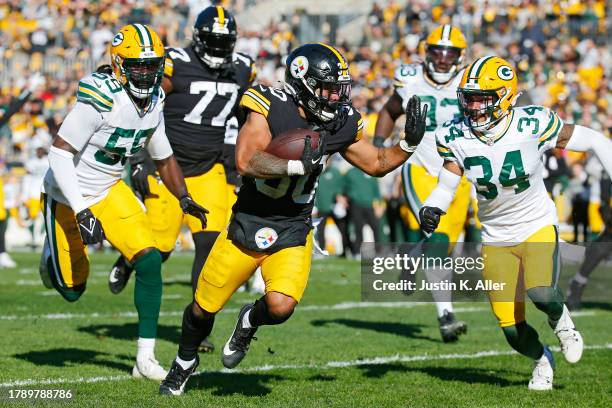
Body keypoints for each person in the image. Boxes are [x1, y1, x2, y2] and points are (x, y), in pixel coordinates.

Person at [159, 43, 428, 396]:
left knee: (281, 306)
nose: (334, 98)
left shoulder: (341, 121)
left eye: (339, 90)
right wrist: (296, 164)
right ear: (302, 82)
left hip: (294, 227)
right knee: (201, 308)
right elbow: (246, 160)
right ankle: (183, 362)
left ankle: (250, 319)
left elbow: (376, 163)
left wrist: (407, 144)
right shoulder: (269, 104)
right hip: (248, 223)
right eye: (327, 89)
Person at [420, 56, 612, 390]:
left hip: (535, 222)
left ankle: (561, 320)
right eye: (470, 97)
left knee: (540, 291)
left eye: (483, 98)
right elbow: (448, 181)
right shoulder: (455, 135)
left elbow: (595, 140)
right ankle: (542, 358)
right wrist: (434, 205)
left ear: (506, 96)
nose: (474, 105)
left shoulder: (532, 123)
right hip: (495, 235)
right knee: (510, 328)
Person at [39, 24, 208, 381]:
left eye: (152, 65)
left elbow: (162, 156)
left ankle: (144, 359)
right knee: (72, 291)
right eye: (137, 65)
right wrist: (82, 209)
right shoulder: (100, 98)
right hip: (68, 196)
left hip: (110, 189)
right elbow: (58, 154)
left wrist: (184, 196)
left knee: (149, 262)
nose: (146, 73)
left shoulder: (156, 100)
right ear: (118, 64)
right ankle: (50, 255)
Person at [109, 6, 256, 296]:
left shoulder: (242, 68)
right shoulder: (176, 62)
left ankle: (199, 324)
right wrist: (139, 157)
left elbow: (244, 117)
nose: (218, 48)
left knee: (210, 243)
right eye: (212, 41)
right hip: (168, 164)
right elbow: (143, 105)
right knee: (161, 247)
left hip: (209, 167)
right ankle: (127, 261)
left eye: (223, 43)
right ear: (199, 39)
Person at [374, 24, 470, 342]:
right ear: (426, 52)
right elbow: (389, 110)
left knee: (443, 245)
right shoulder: (410, 78)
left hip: (457, 174)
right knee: (438, 242)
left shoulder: (469, 81)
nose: (443, 59)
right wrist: (378, 148)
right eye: (437, 51)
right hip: (419, 166)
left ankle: (411, 257)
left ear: (459, 56)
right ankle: (446, 316)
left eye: (450, 53)